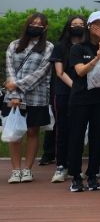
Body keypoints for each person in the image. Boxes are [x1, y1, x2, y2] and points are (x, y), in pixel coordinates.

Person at [66, 11, 100, 192]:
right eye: (95, 24)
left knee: (97, 137)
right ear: (88, 27)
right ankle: (75, 176)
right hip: (80, 98)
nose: (99, 28)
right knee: (77, 137)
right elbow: (80, 71)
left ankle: (93, 175)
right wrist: (96, 58)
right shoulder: (78, 48)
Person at [3, 13, 54, 184]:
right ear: (27, 25)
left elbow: (42, 72)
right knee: (15, 133)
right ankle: (15, 170)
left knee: (33, 132)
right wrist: (15, 94)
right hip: (13, 96)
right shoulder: (14, 45)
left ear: (45, 28)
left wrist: (16, 85)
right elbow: (9, 70)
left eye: (40, 24)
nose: (36, 26)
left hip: (37, 96)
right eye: (33, 23)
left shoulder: (48, 47)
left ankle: (27, 170)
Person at [48, 15, 86, 183]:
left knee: (77, 131)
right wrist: (75, 86)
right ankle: (60, 166)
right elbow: (59, 72)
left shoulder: (87, 47)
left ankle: (74, 167)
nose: (77, 26)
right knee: (62, 129)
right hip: (63, 93)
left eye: (81, 24)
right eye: (74, 24)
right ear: (68, 27)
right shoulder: (60, 47)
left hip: (82, 94)